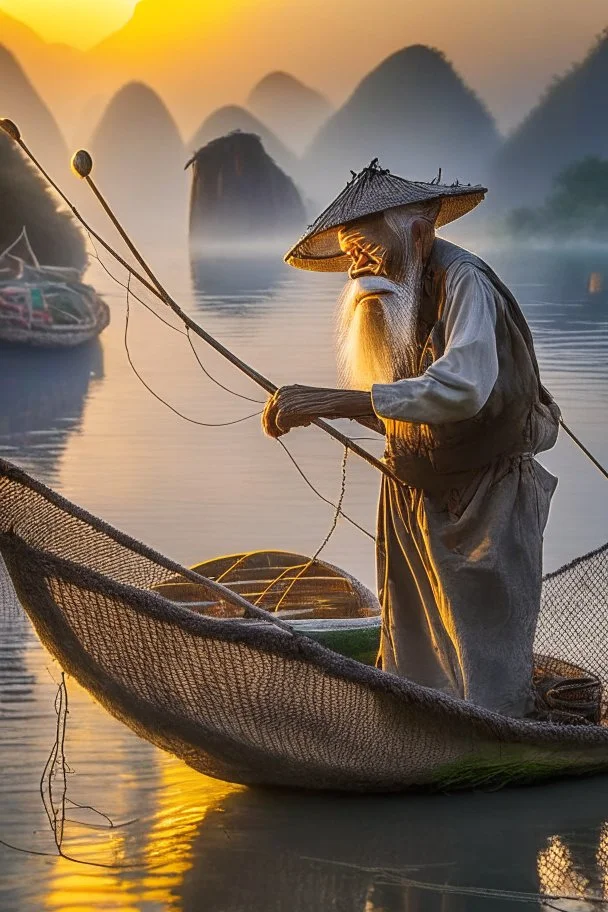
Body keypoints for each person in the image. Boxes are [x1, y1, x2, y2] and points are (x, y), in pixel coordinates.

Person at [262, 161, 560, 718]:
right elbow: (405, 409)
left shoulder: (463, 281)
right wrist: (323, 409)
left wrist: (338, 400)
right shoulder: (393, 300)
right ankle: (419, 736)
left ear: (418, 233)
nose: (356, 266)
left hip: (486, 495)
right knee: (416, 650)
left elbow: (463, 389)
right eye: (349, 252)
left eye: (364, 248)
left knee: (484, 656)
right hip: (414, 490)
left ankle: (491, 745)